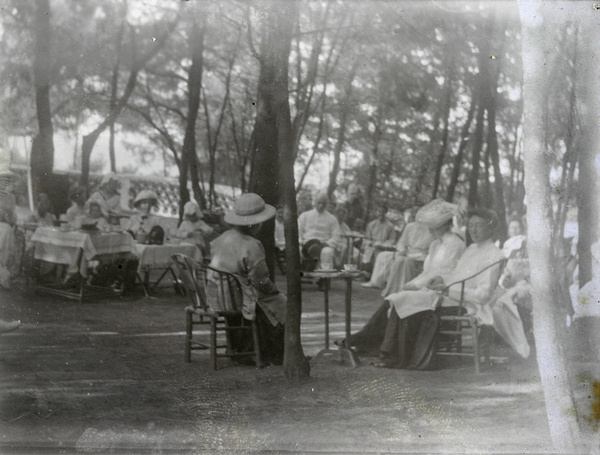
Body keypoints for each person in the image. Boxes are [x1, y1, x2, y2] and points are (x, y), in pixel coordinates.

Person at [346, 208, 505, 369]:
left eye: (478, 225)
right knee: (401, 298)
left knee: (404, 299)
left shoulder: (494, 254)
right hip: (450, 296)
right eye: (471, 225)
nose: (473, 230)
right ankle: (386, 352)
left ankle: (390, 355)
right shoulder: (472, 249)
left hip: (465, 304)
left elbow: (483, 295)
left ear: (491, 228)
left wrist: (449, 290)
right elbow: (457, 277)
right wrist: (442, 280)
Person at [209, 193, 286, 365]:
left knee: (268, 299)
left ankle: (239, 347)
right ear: (256, 223)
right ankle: (273, 353)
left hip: (220, 296)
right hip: (239, 298)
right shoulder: (252, 245)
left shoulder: (221, 239)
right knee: (281, 302)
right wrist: (273, 291)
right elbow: (260, 280)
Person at [362, 206, 433, 292]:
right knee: (383, 255)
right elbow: (402, 242)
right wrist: (402, 250)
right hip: (406, 252)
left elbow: (432, 247)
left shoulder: (431, 229)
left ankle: (399, 289)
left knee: (403, 261)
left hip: (421, 255)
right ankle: (376, 282)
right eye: (415, 213)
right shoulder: (409, 226)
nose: (417, 216)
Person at [297, 191, 340, 270]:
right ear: (315, 202)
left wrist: (326, 244)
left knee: (327, 252)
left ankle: (323, 277)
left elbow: (336, 236)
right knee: (297, 250)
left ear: (327, 204)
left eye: (324, 203)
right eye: (319, 202)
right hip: (306, 244)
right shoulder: (304, 216)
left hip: (323, 244)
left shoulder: (332, 219)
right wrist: (300, 242)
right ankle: (297, 275)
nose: (321, 205)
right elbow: (298, 231)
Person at [360, 204, 396, 272]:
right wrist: (371, 243)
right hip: (372, 245)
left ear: (386, 213)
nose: (381, 213)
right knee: (370, 251)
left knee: (381, 254)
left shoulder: (390, 226)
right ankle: (367, 272)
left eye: (383, 212)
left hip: (383, 246)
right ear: (377, 212)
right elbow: (367, 238)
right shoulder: (371, 224)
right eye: (379, 211)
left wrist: (384, 245)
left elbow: (392, 239)